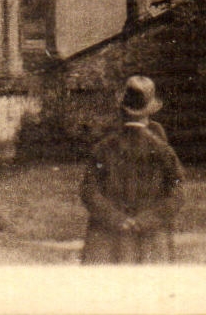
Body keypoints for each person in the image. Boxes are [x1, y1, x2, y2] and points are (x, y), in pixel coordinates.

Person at [79, 75, 184, 264]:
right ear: (149, 111)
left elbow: (89, 191)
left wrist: (117, 219)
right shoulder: (163, 150)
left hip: (107, 240)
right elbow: (177, 192)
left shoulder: (103, 148)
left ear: (123, 109)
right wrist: (147, 220)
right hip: (151, 240)